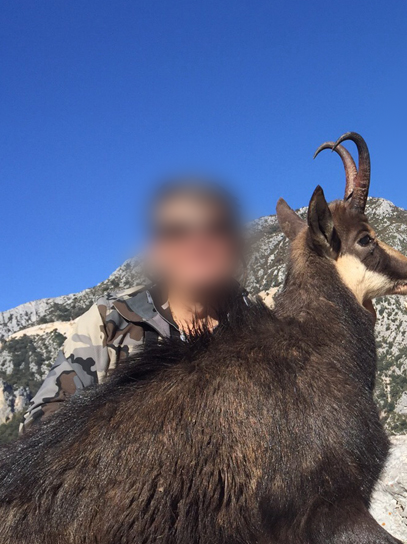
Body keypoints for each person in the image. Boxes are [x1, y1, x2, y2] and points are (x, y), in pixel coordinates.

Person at [23, 179, 247, 431]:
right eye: (177, 232)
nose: (198, 244)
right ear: (157, 250)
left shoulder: (261, 329)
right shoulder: (110, 321)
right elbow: (40, 428)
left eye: (216, 228)